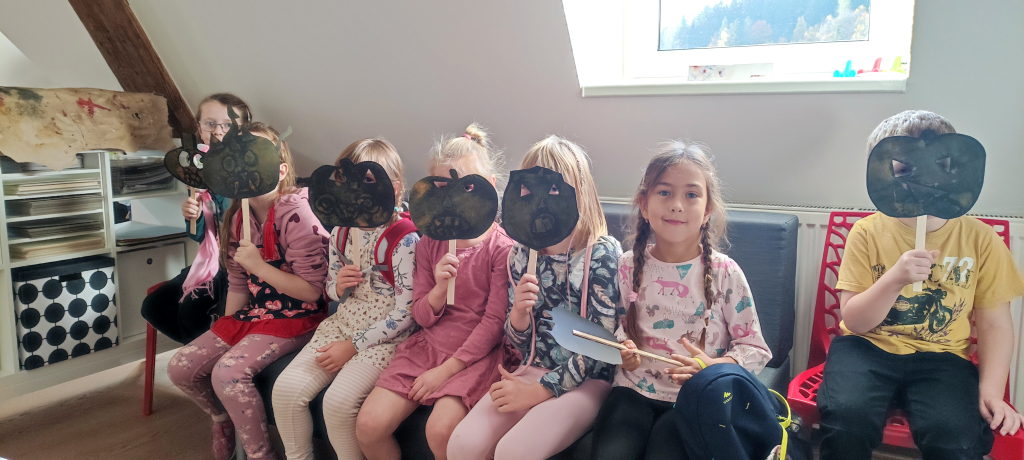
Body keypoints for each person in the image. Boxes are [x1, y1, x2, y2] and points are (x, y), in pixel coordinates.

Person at [819, 110, 1024, 459]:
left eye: (938, 166)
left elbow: (995, 324)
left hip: (943, 358)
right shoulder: (866, 233)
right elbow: (854, 321)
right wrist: (895, 279)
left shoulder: (982, 240)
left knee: (955, 437)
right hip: (865, 349)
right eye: (903, 169)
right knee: (846, 421)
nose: (922, 179)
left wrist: (991, 391)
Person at [589, 140, 771, 460]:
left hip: (695, 398)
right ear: (644, 205)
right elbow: (619, 325)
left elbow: (755, 349)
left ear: (707, 210)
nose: (676, 205)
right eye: (664, 192)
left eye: (691, 194)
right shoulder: (626, 265)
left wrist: (713, 367)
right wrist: (623, 350)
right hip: (631, 391)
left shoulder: (726, 272)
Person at [447, 135, 621, 460]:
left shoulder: (601, 254)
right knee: (462, 446)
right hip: (534, 367)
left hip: (587, 379)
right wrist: (518, 316)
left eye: (553, 189)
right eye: (527, 189)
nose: (539, 199)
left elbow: (602, 349)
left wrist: (538, 391)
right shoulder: (521, 255)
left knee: (513, 452)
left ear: (578, 193)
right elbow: (521, 345)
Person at [167, 123, 329, 460]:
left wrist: (260, 266)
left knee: (229, 373)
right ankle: (222, 420)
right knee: (181, 367)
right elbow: (239, 284)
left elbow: (313, 293)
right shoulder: (237, 217)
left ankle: (260, 454)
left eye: (256, 157)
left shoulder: (297, 214)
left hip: (300, 317)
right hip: (256, 314)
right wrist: (226, 330)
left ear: (280, 170)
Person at [356, 124, 514, 460]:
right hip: (428, 346)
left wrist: (446, 371)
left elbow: (494, 324)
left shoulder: (501, 249)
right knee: (368, 426)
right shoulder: (430, 242)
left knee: (441, 431)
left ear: (490, 187)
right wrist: (439, 291)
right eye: (442, 188)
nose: (454, 198)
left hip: (476, 356)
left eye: (467, 187)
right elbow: (421, 315)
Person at [272, 138, 420, 460]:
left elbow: (407, 313)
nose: (354, 190)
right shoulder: (340, 232)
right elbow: (329, 287)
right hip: (342, 324)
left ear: (394, 188)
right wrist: (337, 288)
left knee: (338, 404)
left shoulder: (404, 239)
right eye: (345, 180)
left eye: (366, 181)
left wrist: (354, 346)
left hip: (385, 338)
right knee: (285, 392)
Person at [141, 93, 250, 344]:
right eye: (210, 124)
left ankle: (205, 356)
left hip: (241, 262)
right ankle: (200, 353)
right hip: (212, 260)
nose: (218, 131)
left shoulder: (249, 169)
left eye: (228, 125)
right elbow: (199, 236)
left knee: (191, 311)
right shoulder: (198, 167)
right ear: (200, 129)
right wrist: (195, 216)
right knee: (155, 306)